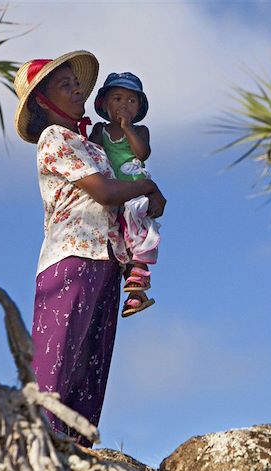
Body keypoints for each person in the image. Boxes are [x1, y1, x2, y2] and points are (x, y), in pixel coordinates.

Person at [13, 50, 166, 446]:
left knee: (91, 363)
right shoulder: (55, 137)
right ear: (42, 103)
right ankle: (42, 447)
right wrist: (147, 187)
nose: (77, 89)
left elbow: (121, 180)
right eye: (65, 86)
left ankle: (78, 452)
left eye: (76, 83)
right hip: (72, 258)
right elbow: (104, 191)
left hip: (106, 258)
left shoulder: (92, 143)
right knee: (59, 358)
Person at [90, 72, 159, 318]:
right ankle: (135, 293)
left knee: (137, 234)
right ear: (105, 105)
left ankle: (137, 285)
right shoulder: (100, 130)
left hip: (134, 192)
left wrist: (127, 127)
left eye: (131, 101)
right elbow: (91, 156)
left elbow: (142, 154)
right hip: (111, 193)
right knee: (119, 242)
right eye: (117, 99)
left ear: (139, 107)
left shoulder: (140, 131)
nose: (124, 105)